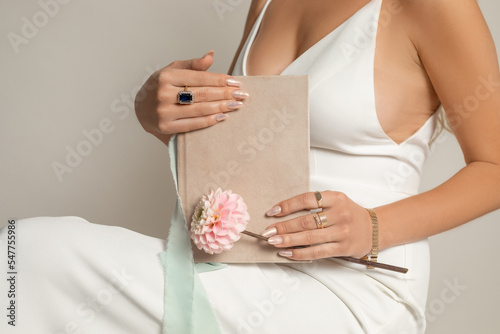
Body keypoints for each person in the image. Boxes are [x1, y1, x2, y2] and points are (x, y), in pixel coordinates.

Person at [1, 0, 500, 333]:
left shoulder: (434, 6)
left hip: (354, 286)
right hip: (240, 266)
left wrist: (373, 226)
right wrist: (159, 113)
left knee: (36, 253)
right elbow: (240, 142)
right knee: (25, 257)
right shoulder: (267, 2)